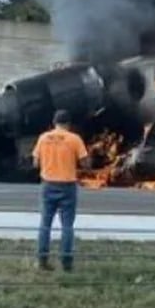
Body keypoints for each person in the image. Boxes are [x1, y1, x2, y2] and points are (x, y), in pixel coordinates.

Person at [31, 109, 90, 271]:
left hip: (48, 184)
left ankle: (42, 261)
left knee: (45, 224)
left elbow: (35, 163)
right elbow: (85, 163)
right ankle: (66, 262)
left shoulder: (43, 138)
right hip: (67, 186)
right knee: (67, 226)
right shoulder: (74, 139)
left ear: (54, 123)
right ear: (68, 124)